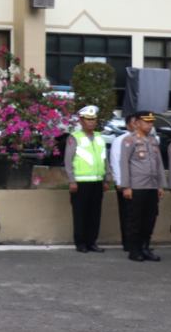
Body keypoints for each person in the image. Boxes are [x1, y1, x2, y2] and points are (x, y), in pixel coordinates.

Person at [64, 105, 111, 253]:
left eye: (93, 120)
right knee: (80, 214)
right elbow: (68, 160)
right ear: (81, 121)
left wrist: (107, 178)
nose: (91, 122)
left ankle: (92, 242)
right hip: (81, 182)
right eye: (88, 120)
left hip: (97, 182)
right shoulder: (74, 137)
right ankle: (81, 243)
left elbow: (104, 159)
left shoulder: (99, 137)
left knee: (95, 214)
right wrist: (72, 180)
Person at [119, 111, 165, 262]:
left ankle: (145, 248)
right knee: (135, 219)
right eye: (146, 122)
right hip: (137, 186)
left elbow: (159, 165)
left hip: (152, 186)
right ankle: (134, 250)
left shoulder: (153, 140)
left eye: (151, 122)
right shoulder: (129, 140)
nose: (149, 124)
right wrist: (126, 186)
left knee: (150, 219)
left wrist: (160, 185)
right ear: (137, 123)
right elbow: (124, 164)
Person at [109, 112, 136, 251]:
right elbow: (115, 161)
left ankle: (139, 243)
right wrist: (119, 181)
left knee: (140, 214)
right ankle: (128, 243)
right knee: (127, 214)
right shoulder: (120, 140)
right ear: (127, 125)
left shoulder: (147, 140)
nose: (136, 125)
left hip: (141, 184)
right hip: (125, 183)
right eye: (133, 122)